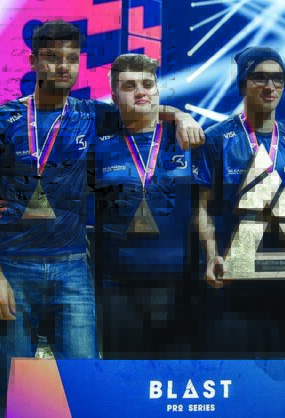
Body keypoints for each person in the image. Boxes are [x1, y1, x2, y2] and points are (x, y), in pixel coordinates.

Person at [0, 21, 204, 417]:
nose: (62, 66)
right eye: (52, 57)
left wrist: (179, 114)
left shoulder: (92, 114)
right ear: (33, 61)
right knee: (15, 386)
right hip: (14, 267)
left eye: (71, 58)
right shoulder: (1, 119)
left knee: (85, 385)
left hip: (72, 268)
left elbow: (142, 105)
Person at [193, 46, 285, 358]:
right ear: (243, 84)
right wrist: (211, 255)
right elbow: (202, 207)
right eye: (260, 77)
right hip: (232, 277)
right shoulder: (216, 139)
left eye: (278, 78)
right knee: (234, 371)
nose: (270, 86)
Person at [90, 54, 193, 359]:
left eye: (147, 84)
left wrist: (180, 116)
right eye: (129, 86)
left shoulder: (188, 140)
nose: (140, 91)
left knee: (176, 380)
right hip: (117, 288)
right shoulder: (98, 147)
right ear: (113, 96)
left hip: (181, 286)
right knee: (124, 380)